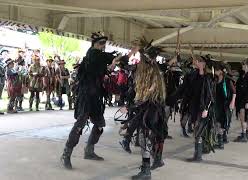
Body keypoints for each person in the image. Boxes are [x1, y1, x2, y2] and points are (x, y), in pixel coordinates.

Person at [60, 32, 122, 170]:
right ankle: (66, 154)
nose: (102, 46)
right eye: (100, 44)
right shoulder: (93, 54)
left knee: (99, 124)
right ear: (94, 44)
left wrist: (115, 62)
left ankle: (89, 150)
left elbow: (107, 63)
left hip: (96, 97)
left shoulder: (98, 57)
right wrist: (119, 58)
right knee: (80, 124)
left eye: (104, 44)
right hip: (86, 96)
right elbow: (106, 58)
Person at [120, 44, 167, 180]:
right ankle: (150, 165)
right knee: (143, 138)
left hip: (152, 110)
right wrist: (131, 52)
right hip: (144, 108)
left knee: (144, 138)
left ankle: (147, 170)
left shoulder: (154, 74)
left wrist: (129, 107)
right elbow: (123, 64)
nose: (140, 61)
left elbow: (146, 96)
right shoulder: (140, 69)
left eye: (142, 58)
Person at [186, 55, 215, 161]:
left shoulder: (207, 78)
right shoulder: (195, 76)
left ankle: (198, 156)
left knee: (198, 131)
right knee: (195, 130)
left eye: (197, 61)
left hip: (202, 108)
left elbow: (210, 95)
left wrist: (206, 109)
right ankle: (197, 153)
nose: (195, 63)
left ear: (202, 64)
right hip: (194, 107)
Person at [213, 62, 236, 149]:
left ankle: (221, 142)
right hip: (216, 104)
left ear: (221, 71)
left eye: (217, 70)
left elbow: (234, 92)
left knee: (221, 123)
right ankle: (220, 141)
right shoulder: (215, 79)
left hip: (225, 104)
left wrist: (232, 102)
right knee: (217, 122)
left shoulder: (227, 80)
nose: (215, 71)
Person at [234, 58, 248, 142]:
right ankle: (245, 133)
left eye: (243, 65)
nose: (242, 66)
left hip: (245, 100)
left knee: (243, 118)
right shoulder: (247, 74)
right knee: (245, 117)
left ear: (247, 66)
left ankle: (244, 135)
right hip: (243, 99)